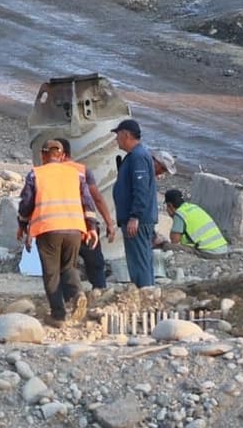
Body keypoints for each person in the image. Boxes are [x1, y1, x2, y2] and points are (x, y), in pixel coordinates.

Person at [16, 138, 115, 326]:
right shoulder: (76, 174)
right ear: (61, 155)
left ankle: (58, 315)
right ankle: (77, 293)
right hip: (75, 229)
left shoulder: (36, 174)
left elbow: (26, 204)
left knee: (52, 273)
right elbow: (88, 202)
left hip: (48, 230)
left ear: (43, 155)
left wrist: (22, 225)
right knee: (69, 267)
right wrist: (92, 227)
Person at [110, 118, 160, 287]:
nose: (116, 139)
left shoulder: (138, 157)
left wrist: (134, 216)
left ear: (126, 135)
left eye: (117, 135)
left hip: (138, 221)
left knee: (139, 263)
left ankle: (145, 295)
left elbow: (141, 189)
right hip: (140, 219)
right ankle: (148, 293)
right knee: (143, 260)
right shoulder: (138, 155)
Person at [160, 189, 230, 257]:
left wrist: (173, 216)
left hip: (210, 252)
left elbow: (174, 240)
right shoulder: (194, 207)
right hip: (223, 249)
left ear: (170, 205)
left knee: (167, 246)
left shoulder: (180, 214)